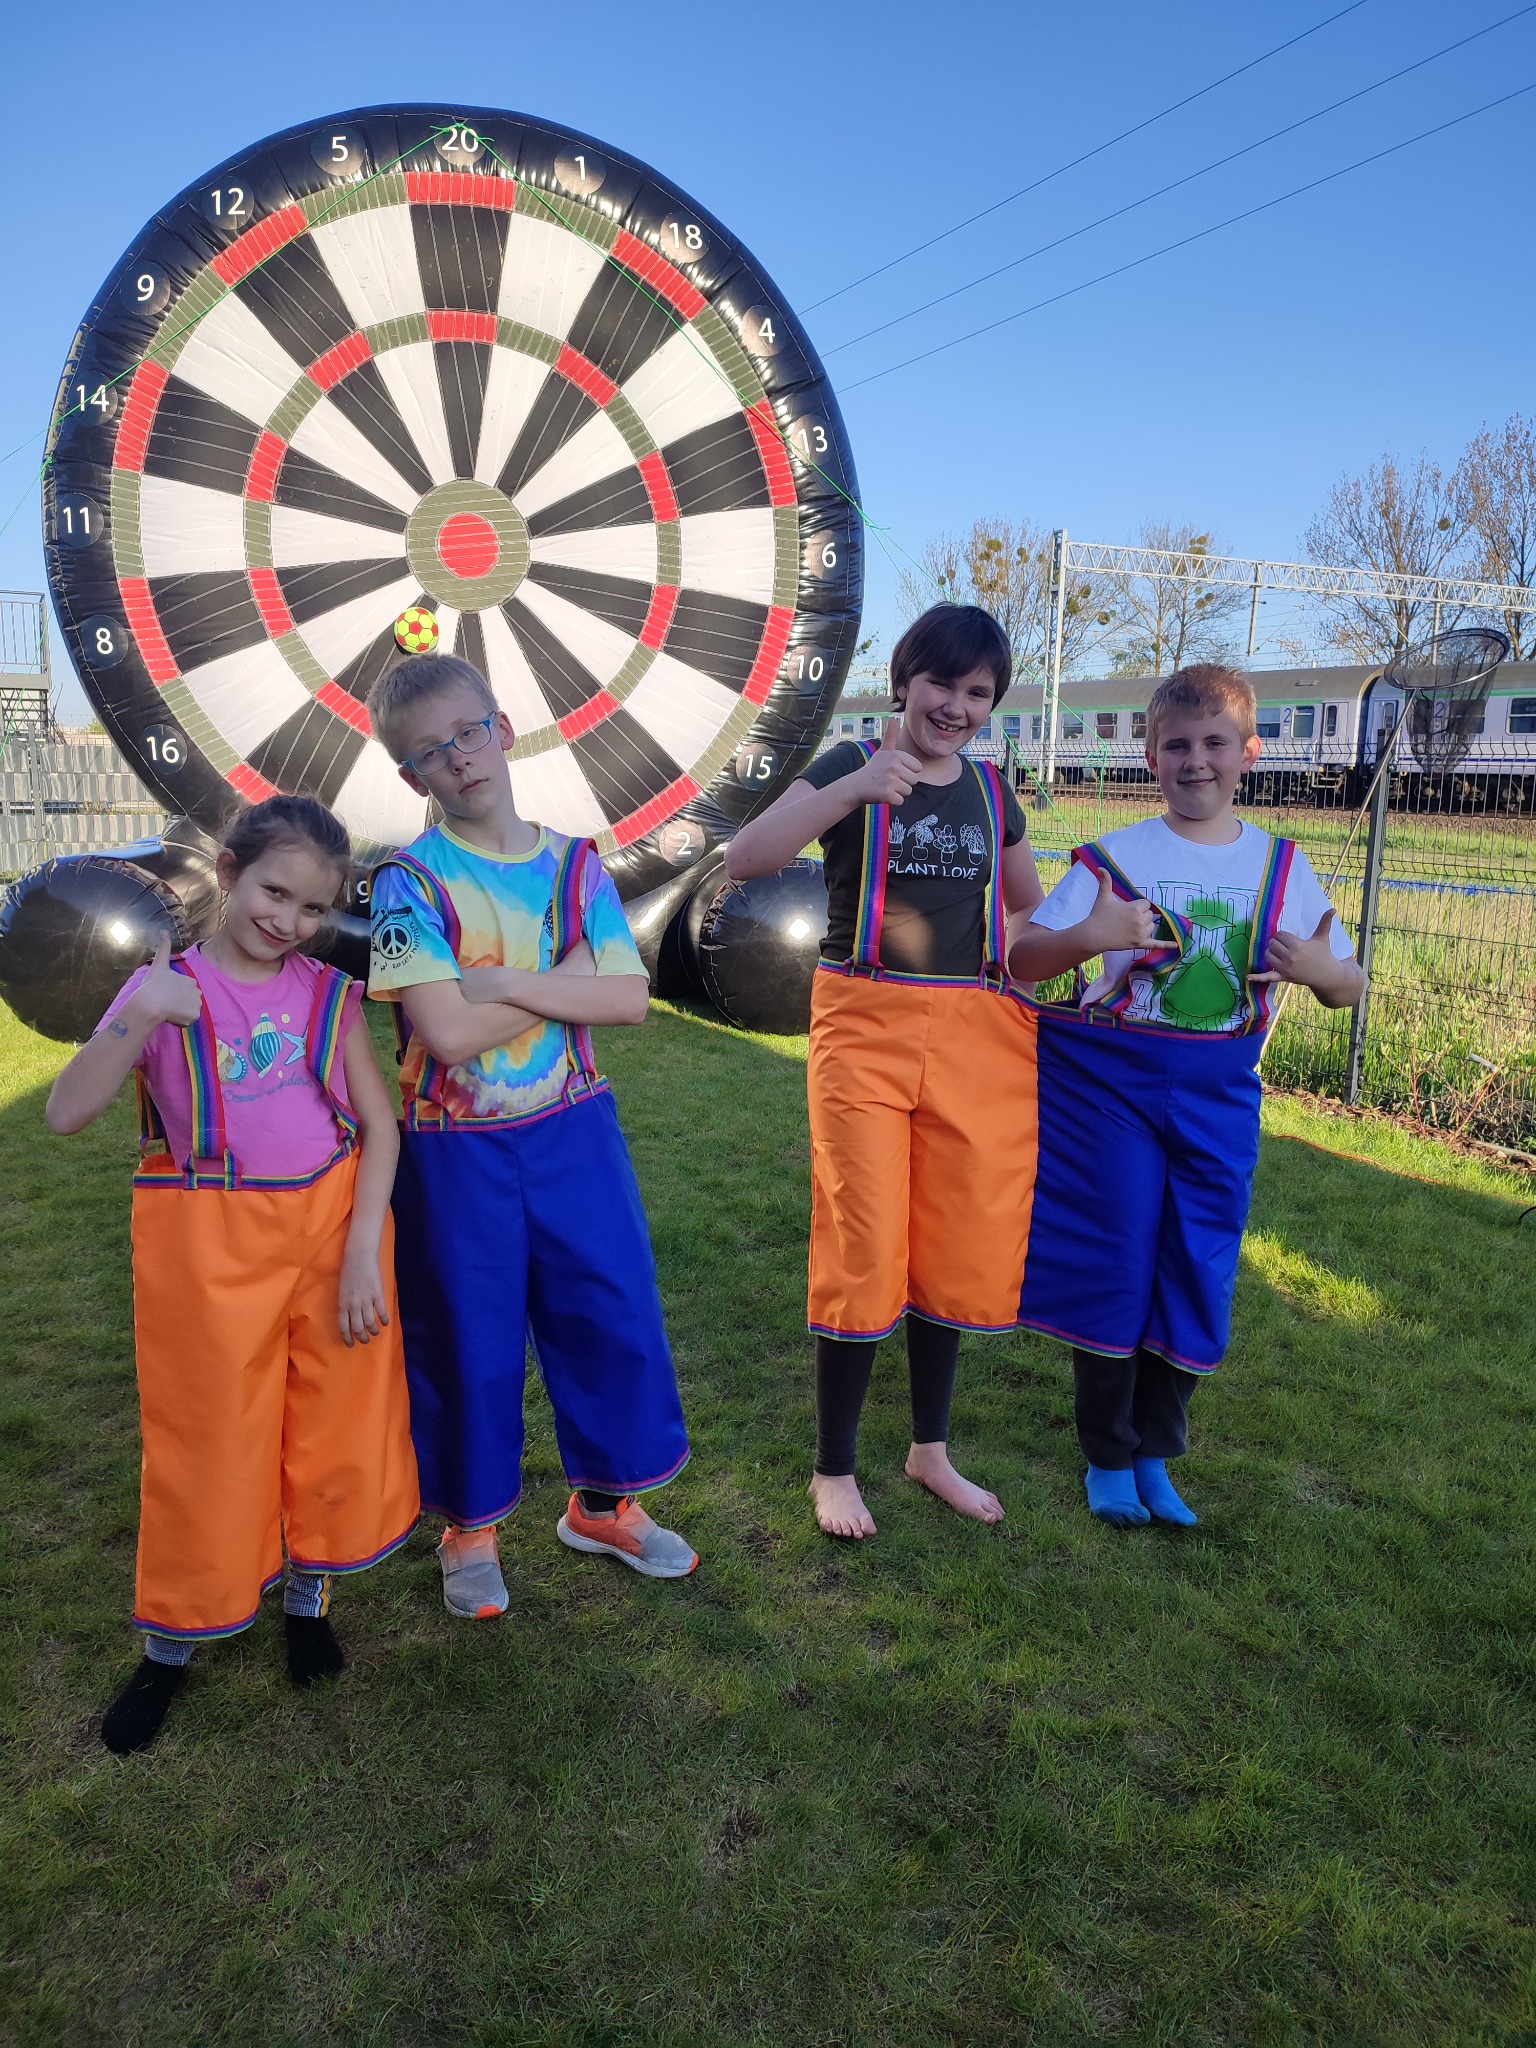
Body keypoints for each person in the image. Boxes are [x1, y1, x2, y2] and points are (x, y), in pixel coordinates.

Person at [46, 796, 419, 1755]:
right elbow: (66, 1113)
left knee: (330, 1427)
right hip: (206, 1251)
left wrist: (363, 1252)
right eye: (273, 892)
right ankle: (170, 1643)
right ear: (228, 873)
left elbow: (379, 1128)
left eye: (312, 907)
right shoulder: (160, 989)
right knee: (208, 1443)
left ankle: (307, 1601)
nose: (288, 920)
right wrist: (140, 1016)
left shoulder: (327, 993)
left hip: (330, 1237)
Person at [364, 654, 695, 1615]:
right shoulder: (408, 884)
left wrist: (507, 981)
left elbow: (628, 1000)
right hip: (454, 1151)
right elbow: (446, 1033)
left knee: (610, 1310)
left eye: (469, 734)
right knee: (469, 1333)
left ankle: (604, 1507)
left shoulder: (576, 865)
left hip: (573, 1130)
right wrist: (569, 975)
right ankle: (469, 1530)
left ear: (503, 731)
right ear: (411, 776)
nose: (458, 758)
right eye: (431, 751)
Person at [1009, 662, 1365, 1529]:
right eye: (1176, 745)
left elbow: (1348, 984)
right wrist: (1091, 934)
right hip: (1114, 1092)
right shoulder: (1117, 859)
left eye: (1214, 743)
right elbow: (1025, 959)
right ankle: (1107, 1456)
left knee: (1197, 1263)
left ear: (1250, 753)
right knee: (1116, 1256)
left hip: (1218, 1093)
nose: (1195, 760)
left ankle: (1157, 1453)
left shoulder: (1283, 865)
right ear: (1150, 755)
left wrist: (1320, 972)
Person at [727, 604, 1045, 1540]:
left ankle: (929, 1452)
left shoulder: (992, 794)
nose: (955, 706)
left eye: (978, 692)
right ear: (904, 681)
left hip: (967, 1035)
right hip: (863, 1028)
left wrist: (1060, 964)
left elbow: (1025, 911)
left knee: (951, 1242)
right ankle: (834, 1468)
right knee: (863, 1242)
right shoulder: (851, 764)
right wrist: (855, 790)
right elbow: (747, 857)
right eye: (940, 683)